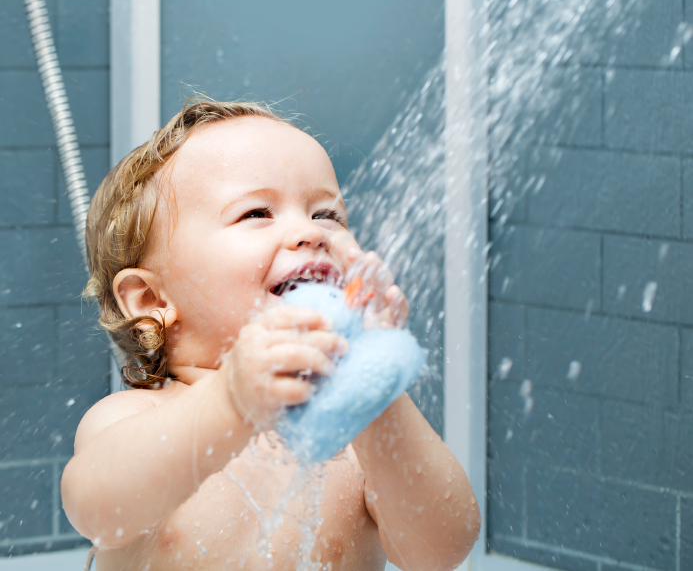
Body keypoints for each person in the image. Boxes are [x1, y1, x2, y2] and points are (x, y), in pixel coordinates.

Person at [61, 97, 480, 571]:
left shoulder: (354, 440)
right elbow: (96, 510)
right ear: (152, 302)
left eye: (327, 215)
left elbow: (441, 551)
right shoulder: (134, 418)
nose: (311, 233)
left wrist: (376, 386)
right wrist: (231, 401)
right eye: (256, 213)